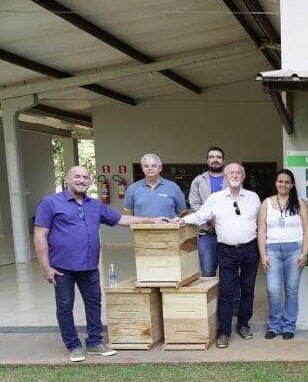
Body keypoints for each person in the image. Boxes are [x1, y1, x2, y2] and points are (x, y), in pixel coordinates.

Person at [33, 166, 167, 363]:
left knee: (94, 303)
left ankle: (95, 342)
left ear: (90, 182)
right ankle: (73, 345)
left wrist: (152, 220)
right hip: (62, 267)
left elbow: (121, 219)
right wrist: (45, 266)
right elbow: (40, 234)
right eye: (77, 176)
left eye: (85, 177)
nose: (81, 180)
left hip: (89, 265)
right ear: (67, 179)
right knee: (65, 306)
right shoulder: (50, 203)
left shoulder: (94, 205)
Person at [176, 163, 260, 349]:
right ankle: (224, 332)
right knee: (227, 291)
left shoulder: (253, 198)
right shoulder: (216, 198)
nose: (235, 175)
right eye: (231, 172)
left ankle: (244, 324)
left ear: (244, 176)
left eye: (239, 172)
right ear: (225, 176)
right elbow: (200, 216)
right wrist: (183, 220)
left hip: (249, 249)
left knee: (248, 289)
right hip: (226, 250)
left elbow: (261, 222)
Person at [257, 169, 308, 340]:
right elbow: (261, 230)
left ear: (292, 185)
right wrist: (263, 254)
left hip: (294, 251)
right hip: (272, 250)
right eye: (280, 181)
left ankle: (289, 326)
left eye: (287, 182)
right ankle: (274, 326)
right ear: (275, 183)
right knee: (273, 290)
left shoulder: (300, 203)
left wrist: (304, 253)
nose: (283, 184)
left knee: (291, 290)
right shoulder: (266, 203)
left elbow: (307, 230)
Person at [189, 146, 227, 276]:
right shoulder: (198, 181)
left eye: (218, 157)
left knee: (227, 272)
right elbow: (194, 203)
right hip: (206, 233)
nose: (215, 160)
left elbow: (236, 204)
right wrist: (209, 220)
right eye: (212, 157)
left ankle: (226, 297)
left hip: (228, 234)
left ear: (223, 160)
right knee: (208, 271)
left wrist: (218, 222)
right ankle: (212, 297)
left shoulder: (231, 180)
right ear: (207, 160)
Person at [123, 153, 187, 218]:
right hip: (142, 228)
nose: (150, 168)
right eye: (146, 166)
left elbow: (182, 213)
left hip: (168, 228)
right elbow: (128, 214)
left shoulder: (173, 188)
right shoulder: (133, 188)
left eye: (153, 166)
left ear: (160, 168)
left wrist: (172, 223)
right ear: (142, 169)